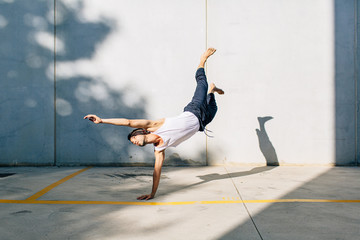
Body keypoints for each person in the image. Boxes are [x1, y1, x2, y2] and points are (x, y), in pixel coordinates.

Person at [84, 48, 224, 200]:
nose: (135, 143)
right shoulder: (159, 150)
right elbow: (156, 172)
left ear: (141, 132)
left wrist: (102, 120)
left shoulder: (154, 125)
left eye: (134, 139)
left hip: (194, 109)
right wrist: (152, 194)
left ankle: (202, 60)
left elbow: (128, 122)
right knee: (213, 108)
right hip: (201, 123)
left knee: (201, 83)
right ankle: (212, 91)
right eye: (134, 143)